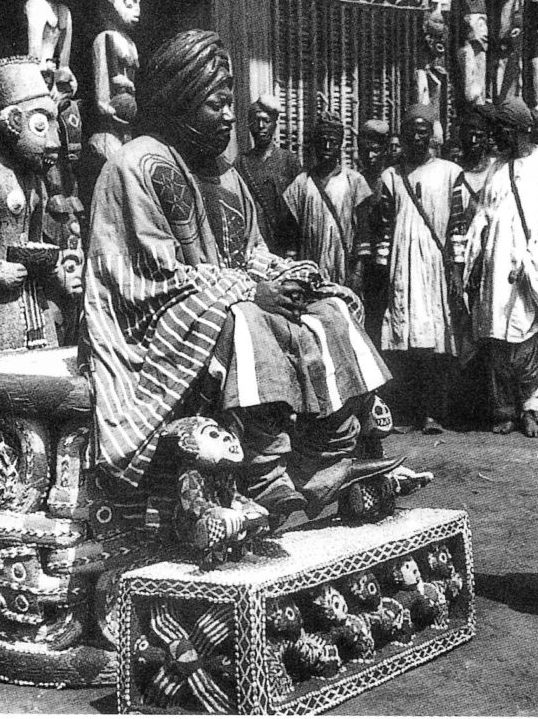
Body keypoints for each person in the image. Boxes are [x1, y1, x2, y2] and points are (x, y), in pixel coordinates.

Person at [84, 30, 402, 522]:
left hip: (222, 295)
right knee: (249, 320)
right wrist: (254, 290)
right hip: (148, 316)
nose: (230, 116)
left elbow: (250, 252)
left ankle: (328, 456)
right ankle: (263, 468)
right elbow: (151, 274)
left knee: (331, 308)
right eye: (218, 105)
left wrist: (290, 277)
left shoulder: (226, 174)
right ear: (182, 103)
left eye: (231, 103)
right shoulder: (136, 165)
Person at [464, 97, 538, 437]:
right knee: (497, 338)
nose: (497, 137)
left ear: (521, 131)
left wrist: (531, 263)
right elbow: (483, 213)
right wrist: (477, 252)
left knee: (528, 341)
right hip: (496, 269)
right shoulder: (497, 168)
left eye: (503, 130)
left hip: (529, 269)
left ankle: (530, 409)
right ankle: (504, 410)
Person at [376, 103, 469, 434]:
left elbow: (458, 226)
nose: (417, 137)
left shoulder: (450, 173)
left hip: (434, 265)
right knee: (403, 343)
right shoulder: (390, 176)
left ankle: (432, 412)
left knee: (433, 344)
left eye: (423, 131)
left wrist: (456, 269)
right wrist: (382, 271)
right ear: (402, 136)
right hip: (402, 267)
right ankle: (406, 412)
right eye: (411, 131)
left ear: (432, 135)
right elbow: (384, 229)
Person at [281, 110, 372, 289]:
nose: (327, 147)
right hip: (309, 269)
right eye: (322, 141)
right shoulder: (300, 183)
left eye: (333, 142)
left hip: (344, 269)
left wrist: (358, 273)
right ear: (315, 144)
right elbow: (292, 235)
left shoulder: (354, 181)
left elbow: (363, 233)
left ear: (340, 144)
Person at [233, 94, 301, 257]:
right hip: (254, 244)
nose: (261, 126)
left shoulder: (289, 161)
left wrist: (293, 247)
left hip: (284, 244)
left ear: (275, 124)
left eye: (266, 121)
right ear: (249, 125)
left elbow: (298, 208)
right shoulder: (241, 163)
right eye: (256, 121)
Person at [356, 118, 392, 343]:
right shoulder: (353, 180)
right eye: (365, 151)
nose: (370, 157)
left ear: (385, 151)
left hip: (387, 264)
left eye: (376, 151)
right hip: (361, 263)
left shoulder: (390, 180)